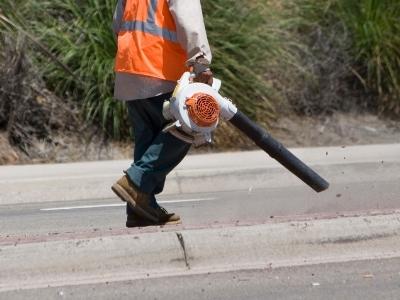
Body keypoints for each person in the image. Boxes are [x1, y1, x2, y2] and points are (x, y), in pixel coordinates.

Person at [111, 0, 213, 227]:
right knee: (187, 127)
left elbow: (117, 25)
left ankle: (140, 208)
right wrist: (201, 62)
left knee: (147, 139)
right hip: (161, 67)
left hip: (130, 68)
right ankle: (136, 183)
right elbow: (189, 19)